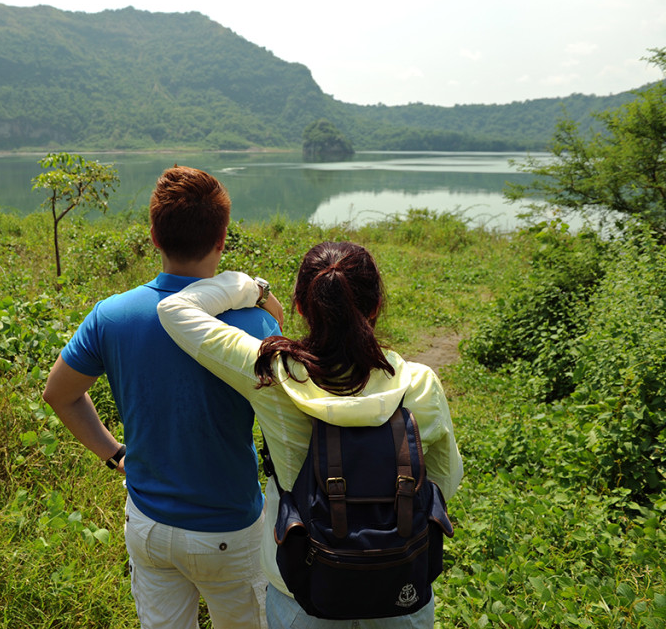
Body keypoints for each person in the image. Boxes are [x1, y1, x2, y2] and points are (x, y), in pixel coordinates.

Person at [156, 241, 464, 628]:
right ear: (375, 308)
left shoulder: (276, 375)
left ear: (302, 306)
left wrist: (256, 289)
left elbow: (174, 310)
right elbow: (445, 480)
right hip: (401, 582)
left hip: (304, 588)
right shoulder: (419, 384)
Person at [41, 165, 283, 629]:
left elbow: (59, 394)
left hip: (149, 526)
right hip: (230, 530)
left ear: (153, 235)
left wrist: (115, 455)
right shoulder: (255, 326)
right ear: (222, 239)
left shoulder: (111, 316)